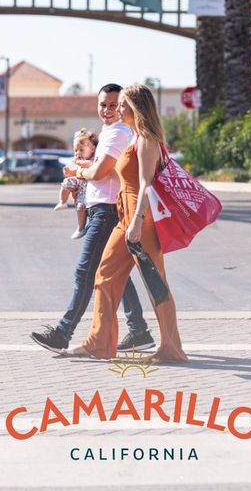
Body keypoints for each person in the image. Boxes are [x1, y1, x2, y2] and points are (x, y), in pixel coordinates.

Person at [63, 84, 188, 363]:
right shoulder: (135, 138)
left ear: (135, 107)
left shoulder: (145, 140)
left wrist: (135, 223)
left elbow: (145, 185)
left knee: (155, 283)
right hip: (128, 217)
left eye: (121, 105)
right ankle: (99, 343)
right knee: (106, 275)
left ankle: (171, 348)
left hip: (138, 220)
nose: (116, 109)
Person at [31, 84, 155, 353]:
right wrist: (87, 169)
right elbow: (104, 170)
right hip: (104, 209)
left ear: (124, 107)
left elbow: (100, 173)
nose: (108, 110)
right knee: (114, 274)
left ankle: (63, 333)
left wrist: (80, 171)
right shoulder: (111, 132)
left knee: (84, 272)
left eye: (114, 105)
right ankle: (139, 330)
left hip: (108, 212)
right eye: (103, 105)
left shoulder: (118, 133)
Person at [54, 128, 98, 240]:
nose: (77, 153)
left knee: (80, 206)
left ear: (92, 148)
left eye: (81, 150)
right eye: (75, 150)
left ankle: (80, 227)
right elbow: (77, 172)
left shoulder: (93, 158)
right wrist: (70, 172)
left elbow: (90, 165)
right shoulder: (81, 159)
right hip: (80, 183)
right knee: (66, 181)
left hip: (87, 188)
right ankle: (62, 202)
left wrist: (78, 162)